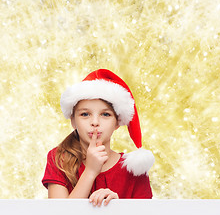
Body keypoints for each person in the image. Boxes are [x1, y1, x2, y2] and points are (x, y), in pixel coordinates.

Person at [42, 69, 155, 206]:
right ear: (73, 121)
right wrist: (90, 171)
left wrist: (117, 208)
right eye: (85, 114)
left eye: (105, 114)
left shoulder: (134, 169)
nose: (95, 122)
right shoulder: (59, 159)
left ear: (117, 122)